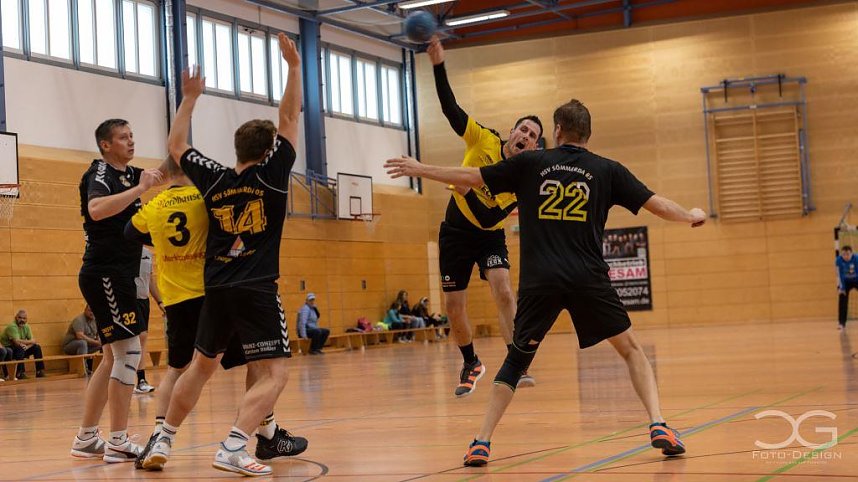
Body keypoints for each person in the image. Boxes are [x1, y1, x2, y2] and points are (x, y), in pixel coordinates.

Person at [385, 98, 706, 465]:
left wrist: (420, 168)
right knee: (631, 349)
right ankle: (659, 423)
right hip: (588, 278)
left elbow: (470, 177)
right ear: (588, 133)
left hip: (541, 281)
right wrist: (691, 215)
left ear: (556, 131)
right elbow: (658, 205)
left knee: (516, 361)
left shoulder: (530, 163)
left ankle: (481, 441)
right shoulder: (608, 170)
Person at [142, 33, 307, 477]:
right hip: (255, 286)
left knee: (200, 366)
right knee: (275, 373)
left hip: (214, 285)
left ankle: (165, 436)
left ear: (236, 149)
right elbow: (289, 115)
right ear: (268, 149)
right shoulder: (273, 176)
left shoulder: (212, 179)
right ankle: (235, 445)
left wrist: (189, 98)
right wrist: (292, 68)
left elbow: (177, 147)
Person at [427, 35, 540, 396]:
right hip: (455, 231)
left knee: (503, 289)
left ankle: (515, 360)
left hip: (488, 233)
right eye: (522, 128)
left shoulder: (522, 180)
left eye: (533, 135)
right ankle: (471, 362)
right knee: (453, 306)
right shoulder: (483, 140)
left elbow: (490, 220)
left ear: (534, 148)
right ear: (511, 132)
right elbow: (450, 110)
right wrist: (439, 65)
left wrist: (465, 189)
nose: (525, 135)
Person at [70, 118, 164, 463]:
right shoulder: (99, 175)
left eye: (132, 135)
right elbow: (96, 211)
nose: (131, 141)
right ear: (106, 145)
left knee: (112, 357)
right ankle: (119, 440)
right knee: (128, 354)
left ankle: (86, 437)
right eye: (123, 137)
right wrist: (140, 190)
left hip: (123, 274)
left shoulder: (129, 174)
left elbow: (163, 170)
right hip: (106, 273)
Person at [133, 246, 164, 394]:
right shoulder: (125, 249)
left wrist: (160, 301)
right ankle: (138, 380)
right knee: (140, 337)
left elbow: (150, 279)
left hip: (143, 300)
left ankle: (140, 381)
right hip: (129, 299)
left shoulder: (147, 253)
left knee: (142, 339)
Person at [1, 310, 45, 379]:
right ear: (16, 318)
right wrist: (30, 342)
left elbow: (33, 341)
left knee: (37, 347)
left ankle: (40, 371)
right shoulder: (12, 326)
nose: (22, 320)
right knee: (19, 348)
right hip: (9, 350)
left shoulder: (27, 326)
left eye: (24, 318)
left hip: (21, 348)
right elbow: (16, 342)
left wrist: (27, 347)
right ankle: (20, 373)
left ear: (26, 319)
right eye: (20, 318)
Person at [61, 305, 102, 374]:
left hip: (86, 346)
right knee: (82, 343)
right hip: (70, 346)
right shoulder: (79, 320)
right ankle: (83, 369)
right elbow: (80, 336)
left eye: (93, 311)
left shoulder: (95, 320)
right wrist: (96, 342)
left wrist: (100, 341)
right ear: (85, 310)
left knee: (104, 344)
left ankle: (103, 367)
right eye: (89, 310)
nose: (92, 313)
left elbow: (98, 333)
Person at [837, 245, 858, 330]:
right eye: (844, 254)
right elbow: (840, 275)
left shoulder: (856, 259)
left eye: (848, 254)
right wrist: (842, 288)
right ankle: (842, 323)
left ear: (851, 254)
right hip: (846, 282)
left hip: (856, 280)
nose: (846, 256)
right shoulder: (838, 260)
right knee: (842, 299)